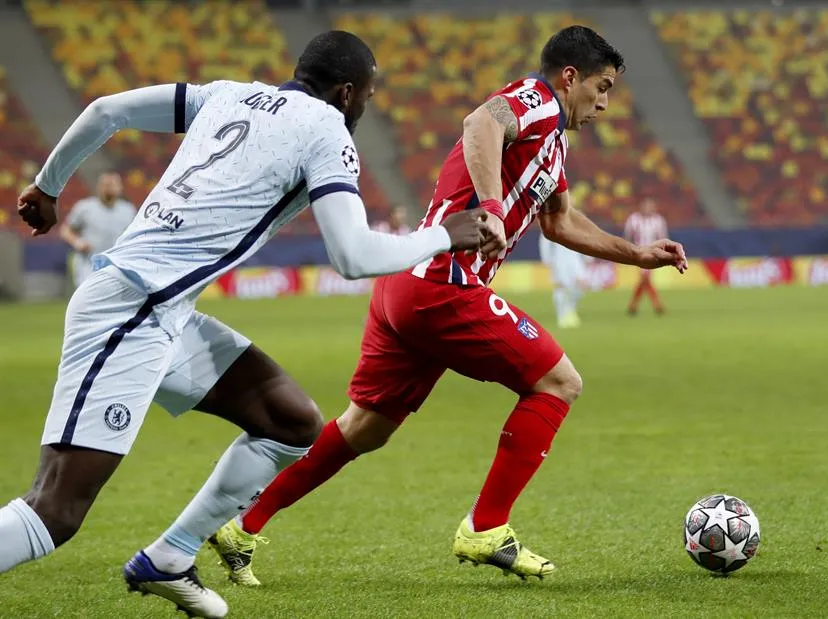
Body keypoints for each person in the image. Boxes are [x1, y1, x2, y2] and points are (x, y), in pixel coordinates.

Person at [1, 30, 488, 619]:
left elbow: (107, 110)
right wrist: (445, 234)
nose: (366, 109)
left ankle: (170, 558)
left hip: (161, 310)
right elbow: (353, 257)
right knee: (56, 510)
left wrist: (47, 186)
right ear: (348, 92)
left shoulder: (227, 96)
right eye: (368, 97)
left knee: (290, 421)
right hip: (131, 311)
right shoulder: (327, 130)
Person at [210, 25, 688, 587]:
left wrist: (636, 253)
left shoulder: (553, 147)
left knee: (366, 426)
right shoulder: (532, 102)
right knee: (559, 382)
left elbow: (558, 221)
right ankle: (486, 526)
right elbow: (481, 123)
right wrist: (489, 206)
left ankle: (242, 524)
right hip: (445, 283)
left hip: (405, 284)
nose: (605, 102)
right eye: (602, 87)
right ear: (569, 77)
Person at [59, 172, 136, 288]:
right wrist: (78, 242)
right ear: (99, 187)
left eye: (112, 184)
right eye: (105, 184)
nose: (109, 187)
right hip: (88, 265)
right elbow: (66, 230)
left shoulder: (128, 210)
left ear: (120, 188)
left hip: (117, 265)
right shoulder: (84, 207)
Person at [624, 197, 669, 315]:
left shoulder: (659, 220)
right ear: (641, 207)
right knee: (645, 278)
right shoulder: (633, 219)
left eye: (650, 206)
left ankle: (634, 305)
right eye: (645, 205)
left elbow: (663, 238)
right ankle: (656, 304)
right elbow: (628, 237)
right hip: (638, 252)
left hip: (653, 253)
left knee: (645, 279)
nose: (647, 208)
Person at [539, 230, 588, 328]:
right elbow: (545, 241)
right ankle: (561, 317)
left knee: (581, 286)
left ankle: (571, 311)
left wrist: (587, 257)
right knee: (561, 287)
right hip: (559, 260)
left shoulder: (575, 222)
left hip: (575, 258)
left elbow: (584, 239)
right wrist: (547, 259)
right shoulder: (552, 222)